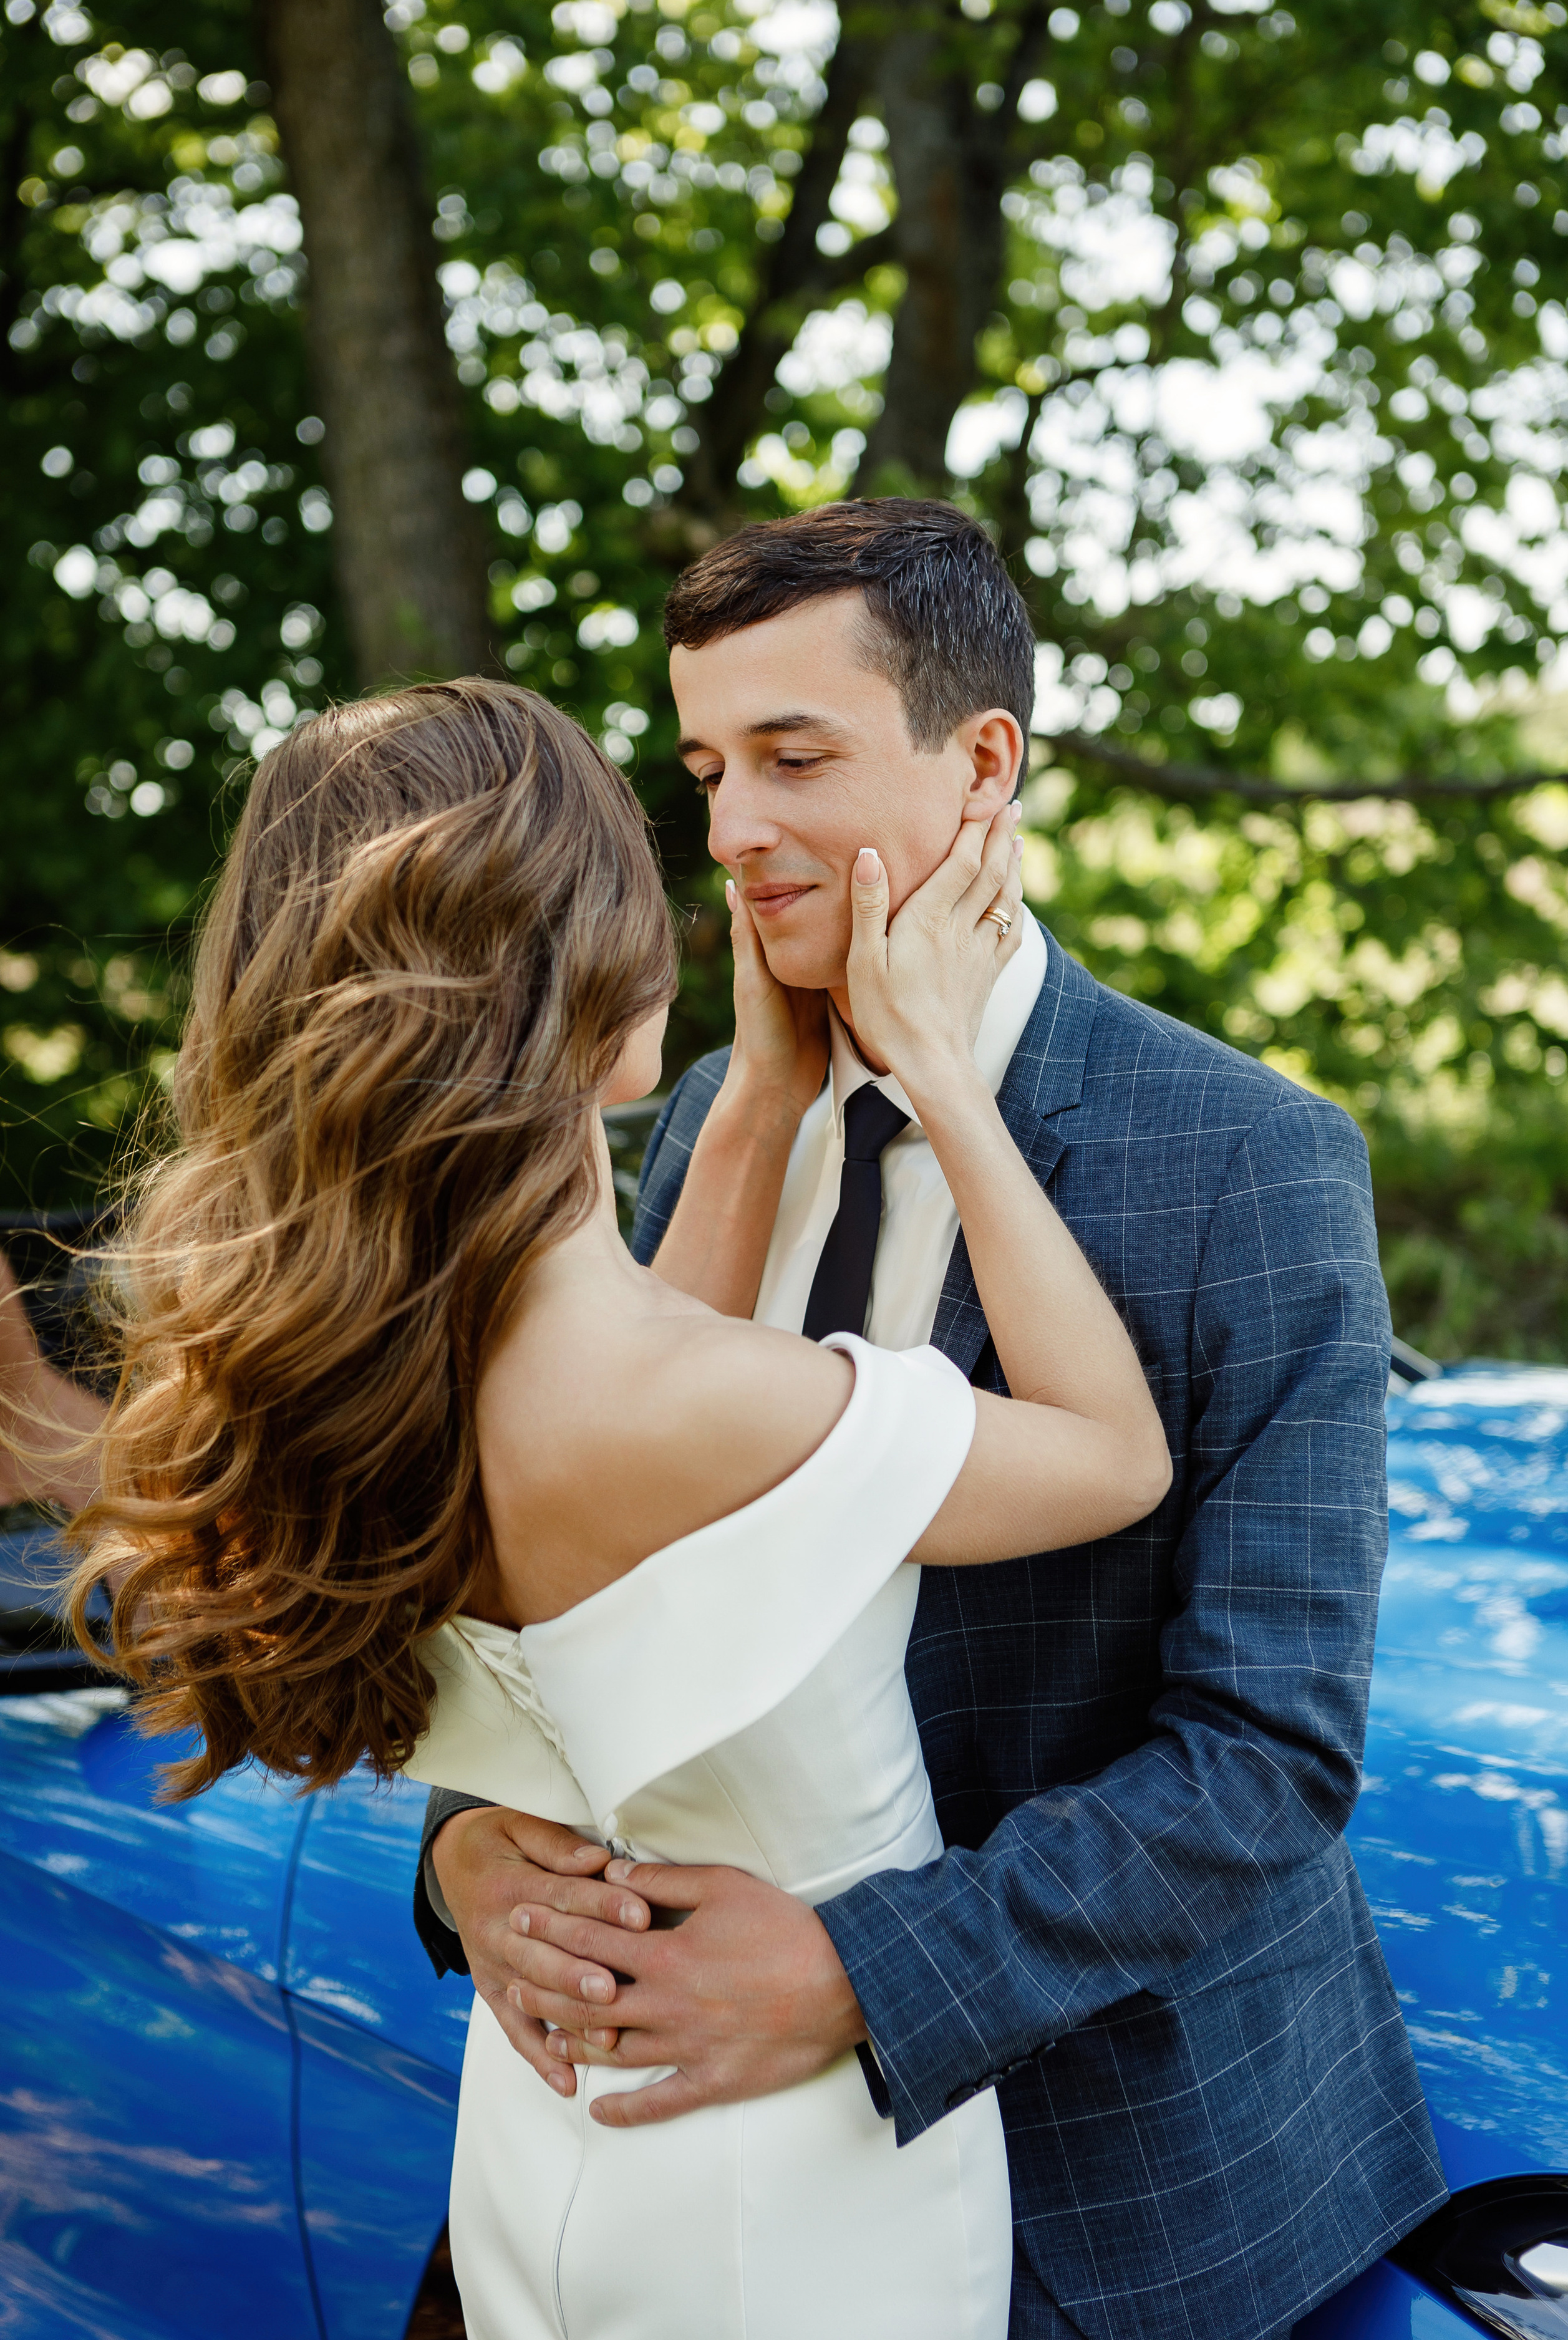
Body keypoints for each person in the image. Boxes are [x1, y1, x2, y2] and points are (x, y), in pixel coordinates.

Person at [415, 501, 1448, 2340]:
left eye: (795, 759)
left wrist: (860, 1971)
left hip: (1112, 2200)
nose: (731, 835)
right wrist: (470, 1851)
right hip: (653, 2178)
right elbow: (586, 1553)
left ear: (983, 765)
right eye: (708, 772)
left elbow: (1268, 1751)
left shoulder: (1251, 1160)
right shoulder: (707, 1112)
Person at [64, 674, 1173, 2340]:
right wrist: (943, 1074)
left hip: (545, 2136)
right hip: (800, 2200)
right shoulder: (717, 1408)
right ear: (584, 961)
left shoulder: (347, 1384)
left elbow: (641, 1376)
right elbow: (1110, 1456)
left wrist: (762, 1101)